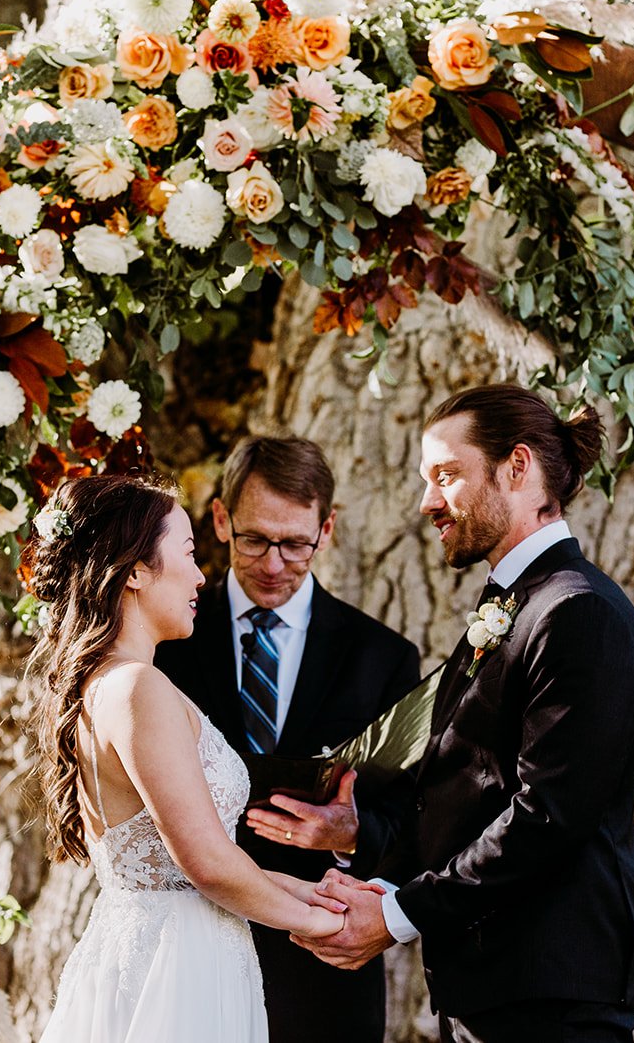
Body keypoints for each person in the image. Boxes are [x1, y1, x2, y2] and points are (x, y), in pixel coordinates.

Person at [294, 384, 634, 1043]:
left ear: (517, 467)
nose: (428, 502)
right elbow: (465, 797)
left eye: (446, 475)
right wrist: (362, 848)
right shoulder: (514, 609)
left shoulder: (581, 614)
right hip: (490, 1002)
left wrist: (400, 914)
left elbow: (544, 819)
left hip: (554, 1008)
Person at [27, 473, 346, 1043]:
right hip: (176, 968)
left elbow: (190, 867)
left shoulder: (113, 683)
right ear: (135, 572)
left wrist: (311, 891)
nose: (202, 575)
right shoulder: (135, 689)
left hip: (169, 941)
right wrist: (324, 924)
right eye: (189, 554)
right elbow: (209, 866)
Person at [155, 435, 422, 1043]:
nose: (273, 564)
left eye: (296, 543)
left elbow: (417, 821)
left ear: (326, 530)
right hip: (190, 951)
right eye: (254, 539)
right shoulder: (166, 644)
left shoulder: (382, 658)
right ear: (221, 520)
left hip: (322, 970)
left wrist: (353, 835)